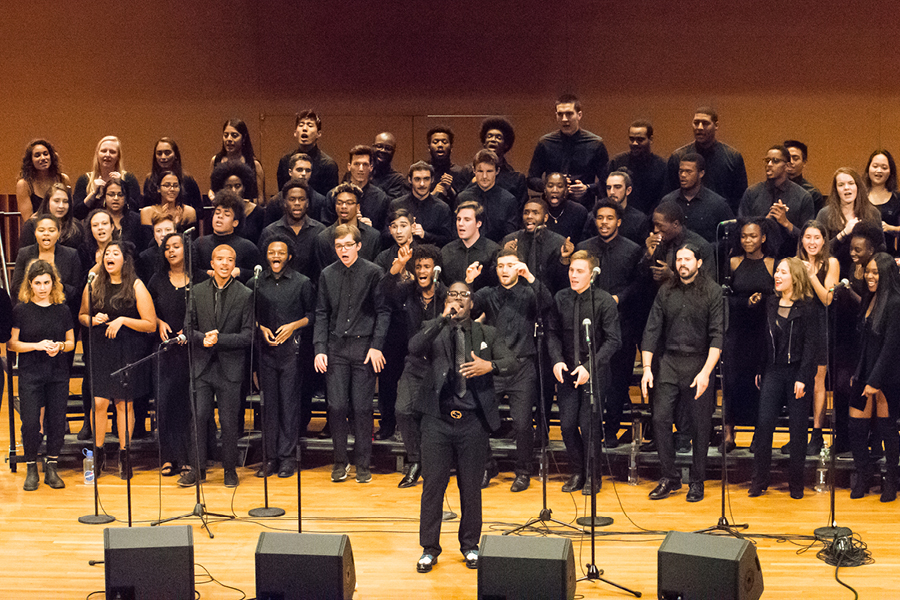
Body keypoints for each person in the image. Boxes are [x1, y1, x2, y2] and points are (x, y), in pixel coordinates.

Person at [412, 281, 515, 574]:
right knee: (433, 486)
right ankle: (429, 548)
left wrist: (489, 366)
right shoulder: (434, 327)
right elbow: (414, 347)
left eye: (463, 296)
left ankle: (470, 545)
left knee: (471, 488)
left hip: (472, 422)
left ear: (472, 303)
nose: (457, 299)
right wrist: (442, 319)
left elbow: (511, 362)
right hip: (437, 420)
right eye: (452, 295)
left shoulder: (487, 333)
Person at [641, 244, 723, 502]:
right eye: (679, 259)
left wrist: (707, 372)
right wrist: (646, 369)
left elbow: (717, 335)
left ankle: (697, 481)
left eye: (688, 259)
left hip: (699, 362)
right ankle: (669, 476)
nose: (682, 263)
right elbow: (651, 331)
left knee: (700, 426)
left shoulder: (713, 291)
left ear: (699, 262)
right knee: (660, 419)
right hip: (669, 362)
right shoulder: (665, 291)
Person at [469, 248, 555, 492]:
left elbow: (548, 303)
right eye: (500, 266)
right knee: (480, 418)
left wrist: (530, 276)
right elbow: (465, 307)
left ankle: (523, 471)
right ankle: (487, 466)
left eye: (510, 265)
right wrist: (469, 282)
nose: (504, 270)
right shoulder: (488, 293)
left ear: (518, 268)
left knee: (522, 423)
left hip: (522, 365)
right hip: (493, 366)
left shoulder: (529, 293)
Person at [314, 224, 389, 484]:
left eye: (348, 245)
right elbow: (321, 313)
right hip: (336, 347)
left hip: (363, 347)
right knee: (335, 406)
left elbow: (383, 311)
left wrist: (377, 345)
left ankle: (363, 464)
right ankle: (339, 462)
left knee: (362, 407)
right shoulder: (327, 274)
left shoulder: (373, 272)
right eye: (339, 246)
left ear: (358, 245)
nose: (343, 250)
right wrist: (319, 348)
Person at [78, 241, 156, 479]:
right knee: (99, 403)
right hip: (101, 349)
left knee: (124, 403)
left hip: (127, 350)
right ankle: (98, 452)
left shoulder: (136, 285)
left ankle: (125, 454)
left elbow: (150, 324)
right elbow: (81, 315)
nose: (109, 257)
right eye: (106, 254)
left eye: (115, 253)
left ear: (125, 260)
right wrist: (93, 319)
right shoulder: (93, 283)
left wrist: (122, 319)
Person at [548, 250, 621, 493]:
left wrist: (589, 367)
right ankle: (577, 471)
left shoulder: (604, 301)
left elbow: (613, 340)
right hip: (567, 371)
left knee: (588, 426)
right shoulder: (560, 298)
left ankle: (594, 476)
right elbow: (553, 333)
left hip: (595, 371)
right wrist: (557, 360)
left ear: (592, 275)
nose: (573, 275)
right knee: (567, 425)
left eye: (579, 271)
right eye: (571, 270)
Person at [179, 245, 252, 488]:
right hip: (201, 365)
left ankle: (230, 469)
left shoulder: (245, 294)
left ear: (234, 265)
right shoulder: (197, 291)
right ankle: (197, 469)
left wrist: (220, 338)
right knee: (198, 417)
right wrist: (203, 339)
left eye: (229, 260)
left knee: (229, 421)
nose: (224, 264)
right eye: (220, 259)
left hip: (230, 368)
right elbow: (188, 328)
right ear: (212, 262)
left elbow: (248, 335)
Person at [748, 257, 818, 499]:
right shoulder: (770, 302)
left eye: (783, 272)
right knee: (764, 424)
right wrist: (759, 368)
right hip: (773, 370)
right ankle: (760, 481)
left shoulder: (808, 306)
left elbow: (811, 346)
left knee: (798, 430)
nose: (777, 275)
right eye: (777, 271)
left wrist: (803, 377)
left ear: (795, 278)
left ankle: (796, 484)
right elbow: (764, 340)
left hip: (797, 372)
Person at [575, 198, 644, 446]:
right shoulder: (583, 248)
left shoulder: (632, 249)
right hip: (587, 326)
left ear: (619, 222)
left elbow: (638, 285)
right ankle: (591, 432)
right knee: (591, 380)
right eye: (600, 218)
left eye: (610, 218)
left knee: (617, 381)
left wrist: (618, 298)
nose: (604, 223)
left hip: (620, 325)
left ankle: (612, 429)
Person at [253, 235, 316, 478]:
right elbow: (249, 315)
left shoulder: (302, 282)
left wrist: (293, 326)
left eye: (281, 252)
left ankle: (288, 458)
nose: (276, 256)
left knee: (289, 406)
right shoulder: (256, 281)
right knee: (268, 406)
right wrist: (261, 328)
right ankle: (270, 458)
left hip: (292, 353)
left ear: (289, 256)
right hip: (266, 352)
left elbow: (312, 314)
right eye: (272, 252)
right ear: (266, 256)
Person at [385, 244, 447, 488]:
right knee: (403, 410)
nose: (422, 270)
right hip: (414, 363)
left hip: (441, 364)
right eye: (418, 266)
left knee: (445, 415)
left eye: (427, 266)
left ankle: (449, 462)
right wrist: (398, 265)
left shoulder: (445, 293)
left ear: (435, 269)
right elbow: (384, 292)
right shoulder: (407, 292)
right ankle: (415, 461)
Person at [10, 260, 75, 490]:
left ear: (53, 283)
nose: (42, 287)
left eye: (46, 282)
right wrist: (37, 346)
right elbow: (12, 344)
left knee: (57, 421)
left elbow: (71, 342)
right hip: (30, 372)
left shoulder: (62, 309)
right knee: (29, 422)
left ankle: (52, 467)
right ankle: (30, 466)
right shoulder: (21, 309)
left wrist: (59, 346)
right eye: (37, 283)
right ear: (30, 284)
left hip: (57, 372)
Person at [849, 252, 900, 502]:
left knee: (887, 429)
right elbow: (864, 343)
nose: (869, 276)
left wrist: (874, 381)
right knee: (856, 427)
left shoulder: (895, 303)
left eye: (875, 272)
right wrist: (859, 374)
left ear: (887, 274)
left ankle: (891, 479)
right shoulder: (869, 299)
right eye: (868, 271)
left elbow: (891, 347)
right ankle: (864, 474)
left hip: (887, 376)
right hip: (865, 371)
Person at [721, 218, 775, 452]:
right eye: (744, 236)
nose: (748, 240)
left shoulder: (773, 264)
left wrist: (761, 300)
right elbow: (725, 297)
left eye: (753, 236)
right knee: (731, 381)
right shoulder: (733, 263)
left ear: (763, 238)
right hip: (737, 330)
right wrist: (746, 302)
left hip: (762, 331)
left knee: (759, 383)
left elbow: (777, 294)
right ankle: (728, 435)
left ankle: (757, 436)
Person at [147, 232, 191, 477]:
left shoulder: (196, 278)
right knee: (164, 404)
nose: (172, 251)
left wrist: (191, 326)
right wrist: (158, 321)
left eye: (177, 246)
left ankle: (186, 457)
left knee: (185, 406)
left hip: (188, 351)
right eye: (167, 248)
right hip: (164, 350)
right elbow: (145, 310)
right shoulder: (156, 280)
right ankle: (167, 457)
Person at [795, 221, 839, 456]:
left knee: (818, 380)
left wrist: (811, 275)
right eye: (807, 237)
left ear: (824, 241)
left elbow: (827, 299)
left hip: (819, 325)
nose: (812, 242)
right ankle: (797, 433)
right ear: (801, 240)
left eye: (817, 237)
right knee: (797, 377)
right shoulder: (794, 263)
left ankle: (817, 433)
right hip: (797, 324)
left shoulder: (831, 263)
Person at [528, 94, 609, 206]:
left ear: (579, 115)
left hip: (583, 207)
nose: (564, 119)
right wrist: (552, 185)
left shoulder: (595, 144)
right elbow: (531, 179)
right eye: (560, 114)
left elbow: (606, 181)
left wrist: (587, 188)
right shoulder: (545, 143)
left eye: (569, 114)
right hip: (551, 208)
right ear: (556, 116)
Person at [738, 145, 814, 259]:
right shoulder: (752, 193)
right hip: (756, 260)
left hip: (789, 260)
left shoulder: (803, 197)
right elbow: (739, 227)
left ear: (787, 166)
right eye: (767, 160)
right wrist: (765, 222)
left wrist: (786, 223)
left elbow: (809, 238)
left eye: (775, 161)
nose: (769, 164)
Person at [667, 107, 748, 213]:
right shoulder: (678, 157)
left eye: (705, 123)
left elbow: (740, 198)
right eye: (696, 123)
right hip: (687, 217)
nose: (699, 127)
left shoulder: (732, 157)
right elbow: (670, 194)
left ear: (716, 126)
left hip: (721, 218)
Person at [259, 179, 326, 281]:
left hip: (312, 292)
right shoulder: (270, 232)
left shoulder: (320, 231)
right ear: (284, 203)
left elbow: (323, 269)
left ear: (307, 203)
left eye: (301, 199)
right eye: (292, 199)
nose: (297, 203)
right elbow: (263, 268)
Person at [11, 215, 82, 311]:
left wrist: (56, 291)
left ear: (58, 233)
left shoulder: (71, 254)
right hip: (30, 308)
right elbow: (16, 286)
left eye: (51, 230)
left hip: (62, 308)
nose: (46, 234)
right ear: (35, 233)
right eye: (41, 230)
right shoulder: (24, 253)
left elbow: (76, 289)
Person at [658, 153, 733, 244]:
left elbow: (731, 237)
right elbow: (658, 231)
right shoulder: (668, 201)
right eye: (681, 171)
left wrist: (707, 249)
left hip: (706, 255)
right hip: (674, 255)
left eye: (688, 172)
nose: (683, 175)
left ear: (701, 173)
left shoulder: (717, 204)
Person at [192, 190, 262, 284]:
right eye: (217, 213)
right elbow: (191, 271)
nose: (220, 216)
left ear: (235, 223)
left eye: (227, 214)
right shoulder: (199, 243)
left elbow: (259, 274)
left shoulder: (248, 247)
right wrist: (208, 273)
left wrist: (240, 272)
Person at [816, 167, 882, 266]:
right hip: (833, 269)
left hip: (864, 270)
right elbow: (819, 249)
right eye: (841, 185)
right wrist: (844, 233)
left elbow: (882, 247)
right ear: (836, 190)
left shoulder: (872, 212)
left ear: (857, 186)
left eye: (851, 183)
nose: (846, 187)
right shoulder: (825, 214)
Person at [502, 198, 569, 293]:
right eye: (526, 213)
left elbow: (561, 281)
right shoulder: (510, 239)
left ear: (545, 217)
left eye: (535, 213)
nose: (529, 216)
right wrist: (505, 254)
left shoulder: (558, 242)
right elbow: (496, 276)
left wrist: (565, 260)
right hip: (515, 298)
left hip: (546, 298)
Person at [641, 201, 714, 285]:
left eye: (659, 225)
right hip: (660, 297)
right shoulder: (657, 243)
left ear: (675, 224)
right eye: (654, 225)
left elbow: (707, 287)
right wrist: (648, 255)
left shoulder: (700, 246)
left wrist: (671, 276)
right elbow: (641, 280)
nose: (655, 230)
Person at [460, 117, 528, 206]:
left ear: (506, 145)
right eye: (489, 136)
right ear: (484, 142)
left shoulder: (515, 178)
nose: (493, 139)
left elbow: (519, 209)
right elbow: (459, 201)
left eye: (498, 137)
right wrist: (472, 183)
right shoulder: (468, 171)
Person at [322, 145, 391, 231]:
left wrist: (370, 230)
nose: (361, 169)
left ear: (371, 167)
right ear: (349, 167)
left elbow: (386, 231)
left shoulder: (381, 198)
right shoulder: (333, 195)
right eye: (357, 164)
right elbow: (326, 230)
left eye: (365, 164)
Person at [455, 150, 519, 242]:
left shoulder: (509, 200)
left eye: (489, 171)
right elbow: (456, 233)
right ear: (474, 171)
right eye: (480, 171)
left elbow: (509, 235)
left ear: (497, 171)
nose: (484, 176)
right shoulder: (462, 198)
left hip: (497, 251)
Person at [607, 120, 667, 215]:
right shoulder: (617, 162)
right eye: (631, 139)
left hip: (651, 219)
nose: (634, 143)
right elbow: (604, 190)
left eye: (640, 139)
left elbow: (663, 197)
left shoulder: (662, 166)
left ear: (650, 139)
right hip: (621, 217)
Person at [73, 136, 142, 219]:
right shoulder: (85, 179)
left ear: (118, 157)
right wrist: (93, 193)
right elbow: (77, 214)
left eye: (112, 152)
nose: (107, 155)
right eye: (103, 151)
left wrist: (121, 186)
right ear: (97, 154)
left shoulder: (129, 179)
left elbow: (134, 210)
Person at [388, 162, 453, 247]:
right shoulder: (396, 204)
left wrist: (425, 235)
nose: (422, 184)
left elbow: (448, 240)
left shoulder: (442, 208)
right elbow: (385, 234)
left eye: (426, 179)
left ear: (432, 180)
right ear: (410, 180)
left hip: (431, 255)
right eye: (417, 179)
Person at [316, 182, 382, 266]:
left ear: (358, 207)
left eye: (349, 203)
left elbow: (376, 270)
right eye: (339, 203)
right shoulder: (324, 237)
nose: (343, 206)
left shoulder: (373, 236)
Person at [275, 109, 339, 195]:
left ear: (318, 134)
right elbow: (282, 196)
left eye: (310, 125)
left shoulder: (328, 165)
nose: (304, 129)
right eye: (301, 125)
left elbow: (330, 200)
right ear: (295, 133)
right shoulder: (285, 161)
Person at [440, 201, 499, 291]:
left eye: (467, 220)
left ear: (479, 223)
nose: (460, 224)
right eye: (458, 219)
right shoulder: (446, 251)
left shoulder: (493, 251)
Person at [142, 137, 203, 215]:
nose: (163, 157)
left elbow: (199, 210)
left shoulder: (187, 179)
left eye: (167, 153)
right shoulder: (150, 180)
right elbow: (147, 210)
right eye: (159, 153)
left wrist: (183, 215)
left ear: (175, 155)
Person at [210, 118, 265, 205]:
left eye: (234, 135)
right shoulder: (216, 160)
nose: (229, 139)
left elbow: (260, 199)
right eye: (226, 135)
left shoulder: (254, 164)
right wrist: (212, 195)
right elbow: (212, 189)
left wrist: (242, 203)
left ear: (243, 139)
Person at [265, 152, 328, 226]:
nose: (304, 174)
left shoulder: (320, 201)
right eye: (299, 170)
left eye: (308, 171)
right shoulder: (275, 201)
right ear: (290, 172)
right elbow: (268, 230)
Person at [210, 160, 264, 245]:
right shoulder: (218, 213)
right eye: (228, 186)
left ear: (244, 187)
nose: (233, 190)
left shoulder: (258, 212)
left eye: (238, 186)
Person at [15, 139, 71, 222]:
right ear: (31, 160)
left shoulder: (63, 179)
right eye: (37, 155)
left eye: (46, 154)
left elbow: (69, 211)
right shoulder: (24, 184)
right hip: (37, 230)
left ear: (51, 156)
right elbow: (29, 220)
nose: (43, 158)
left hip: (62, 228)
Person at [18, 183, 85, 251]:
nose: (61, 206)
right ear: (48, 202)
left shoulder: (76, 225)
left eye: (65, 201)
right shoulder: (31, 225)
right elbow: (25, 256)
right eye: (56, 201)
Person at [863, 150, 900, 255]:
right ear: (868, 168)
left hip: (889, 257)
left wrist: (891, 228)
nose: (878, 171)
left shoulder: (897, 199)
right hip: (862, 257)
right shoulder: (859, 196)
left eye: (884, 168)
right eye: (875, 166)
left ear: (890, 171)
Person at [426, 125, 469, 207]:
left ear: (451, 147)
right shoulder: (422, 172)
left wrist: (450, 190)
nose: (440, 145)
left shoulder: (460, 173)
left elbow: (466, 203)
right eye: (435, 142)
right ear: (429, 148)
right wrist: (432, 195)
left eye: (444, 142)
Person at [543, 172, 588, 244]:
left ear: (566, 190)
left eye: (560, 186)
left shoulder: (579, 211)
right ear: (545, 190)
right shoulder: (538, 210)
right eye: (550, 186)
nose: (554, 190)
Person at [101, 178, 144, 249]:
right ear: (104, 198)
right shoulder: (97, 218)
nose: (115, 198)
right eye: (111, 195)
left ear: (126, 199)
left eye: (120, 195)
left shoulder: (136, 219)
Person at [784, 140, 825, 212]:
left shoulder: (812, 193)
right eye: (787, 158)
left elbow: (814, 222)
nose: (791, 162)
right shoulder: (772, 188)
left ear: (804, 163)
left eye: (795, 158)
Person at [137, 214, 177, 283]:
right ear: (154, 234)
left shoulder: (184, 253)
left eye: (168, 230)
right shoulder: (144, 257)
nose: (163, 234)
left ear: (175, 232)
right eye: (158, 231)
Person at [371, 132, 409, 199]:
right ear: (372, 147)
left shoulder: (397, 180)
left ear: (393, 152)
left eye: (388, 148)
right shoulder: (360, 173)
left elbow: (391, 205)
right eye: (379, 146)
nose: (383, 150)